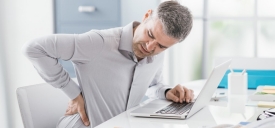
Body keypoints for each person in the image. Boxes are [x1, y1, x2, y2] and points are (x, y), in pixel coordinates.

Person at [22, 1, 194, 128]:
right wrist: (74, 94)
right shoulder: (98, 42)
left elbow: (153, 85)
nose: (150, 47)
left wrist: (166, 92)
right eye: (150, 34)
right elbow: (34, 48)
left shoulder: (156, 54)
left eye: (161, 46)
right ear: (146, 16)